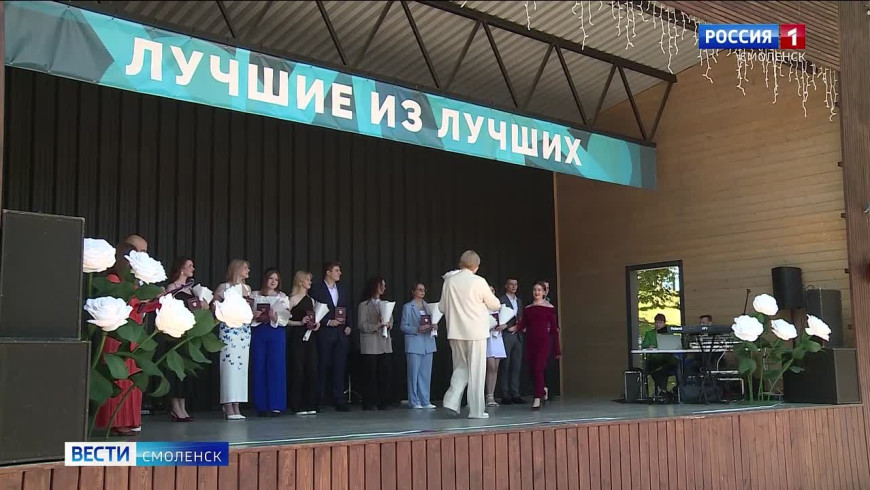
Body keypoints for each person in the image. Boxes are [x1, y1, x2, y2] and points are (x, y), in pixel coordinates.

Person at [439, 250, 502, 419]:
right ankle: (476, 410)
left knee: (461, 367)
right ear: (476, 266)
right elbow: (495, 305)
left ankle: (451, 400)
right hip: (476, 331)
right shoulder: (479, 281)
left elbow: (441, 308)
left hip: (455, 331)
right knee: (476, 372)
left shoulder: (449, 282)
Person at [94, 242, 143, 436]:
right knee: (119, 375)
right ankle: (115, 421)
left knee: (131, 376)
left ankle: (130, 420)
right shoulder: (112, 280)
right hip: (117, 334)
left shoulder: (130, 282)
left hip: (133, 333)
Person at [309, 261, 352, 412]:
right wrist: (327, 322)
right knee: (322, 365)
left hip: (340, 333)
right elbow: (313, 310)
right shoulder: (317, 289)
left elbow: (347, 308)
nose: (339, 273)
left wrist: (349, 325)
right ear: (328, 272)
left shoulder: (342, 289)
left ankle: (339, 399)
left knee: (339, 367)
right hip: (325, 332)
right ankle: (318, 399)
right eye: (336, 270)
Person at [214, 260, 253, 420]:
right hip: (229, 329)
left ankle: (237, 403)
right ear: (237, 269)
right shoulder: (224, 287)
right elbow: (214, 306)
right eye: (245, 267)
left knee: (241, 368)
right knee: (229, 366)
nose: (248, 270)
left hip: (243, 330)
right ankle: (227, 403)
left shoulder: (247, 288)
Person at [162, 257, 198, 422]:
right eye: (190, 266)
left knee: (185, 370)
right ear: (181, 269)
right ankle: (175, 408)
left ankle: (183, 406)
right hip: (175, 334)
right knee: (175, 371)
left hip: (188, 333)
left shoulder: (192, 289)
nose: (193, 268)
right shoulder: (172, 288)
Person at [250, 268, 289, 417]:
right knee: (259, 366)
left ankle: (276, 405)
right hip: (259, 331)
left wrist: (275, 318)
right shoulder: (254, 295)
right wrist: (254, 315)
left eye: (276, 279)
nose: (273, 282)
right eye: (271, 278)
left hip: (276, 332)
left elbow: (286, 318)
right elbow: (247, 315)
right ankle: (261, 405)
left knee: (276, 367)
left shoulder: (282, 297)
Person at [517, 282, 561, 410]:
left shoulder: (549, 308)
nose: (537, 292)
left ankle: (537, 397)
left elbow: (554, 330)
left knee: (538, 369)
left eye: (539, 290)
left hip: (543, 342)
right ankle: (542, 390)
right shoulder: (528, 309)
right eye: (535, 290)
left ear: (544, 292)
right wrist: (511, 328)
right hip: (531, 342)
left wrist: (557, 349)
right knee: (532, 370)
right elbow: (522, 324)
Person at [287, 271, 321, 415]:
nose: (310, 282)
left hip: (310, 337)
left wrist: (316, 324)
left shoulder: (311, 300)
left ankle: (310, 403)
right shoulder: (292, 299)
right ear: (300, 281)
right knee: (298, 369)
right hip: (297, 336)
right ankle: (296, 404)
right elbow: (284, 320)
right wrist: (299, 323)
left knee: (311, 368)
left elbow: (315, 318)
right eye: (308, 280)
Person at [357, 277, 394, 410]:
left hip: (384, 344)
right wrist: (377, 325)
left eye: (384, 285)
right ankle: (370, 402)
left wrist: (388, 325)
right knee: (370, 375)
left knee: (384, 374)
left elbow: (391, 321)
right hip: (371, 345)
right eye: (381, 285)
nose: (383, 288)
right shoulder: (364, 305)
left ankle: (384, 401)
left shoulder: (386, 304)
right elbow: (362, 325)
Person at [400, 282, 437, 409]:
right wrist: (417, 329)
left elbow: (434, 320)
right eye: (420, 289)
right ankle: (414, 401)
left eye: (424, 289)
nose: (422, 292)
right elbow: (403, 326)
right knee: (413, 374)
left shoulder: (429, 307)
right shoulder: (407, 307)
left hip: (428, 343)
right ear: (413, 291)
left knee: (425, 374)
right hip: (414, 344)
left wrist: (434, 326)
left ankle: (425, 400)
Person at [498, 278, 524, 405]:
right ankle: (505, 394)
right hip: (507, 335)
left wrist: (519, 327)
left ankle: (515, 393)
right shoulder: (501, 300)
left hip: (518, 336)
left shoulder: (519, 301)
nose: (514, 286)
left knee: (516, 365)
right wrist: (509, 327)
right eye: (511, 284)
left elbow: (522, 317)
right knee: (505, 365)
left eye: (515, 284)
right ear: (506, 286)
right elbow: (498, 317)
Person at [642, 313, 679, 399]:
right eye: (656, 322)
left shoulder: (669, 333)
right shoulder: (649, 333)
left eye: (660, 322)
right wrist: (649, 346)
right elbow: (644, 345)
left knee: (662, 369)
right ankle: (664, 391)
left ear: (664, 323)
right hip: (654, 359)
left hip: (668, 360)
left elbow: (675, 345)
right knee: (654, 368)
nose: (658, 324)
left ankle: (663, 390)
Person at [485, 285, 507, 407]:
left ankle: (491, 396)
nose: (491, 292)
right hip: (487, 338)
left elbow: (505, 321)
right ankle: (481, 395)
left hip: (497, 338)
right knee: (490, 366)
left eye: (493, 290)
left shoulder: (498, 307)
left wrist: (503, 326)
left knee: (495, 368)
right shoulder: (482, 307)